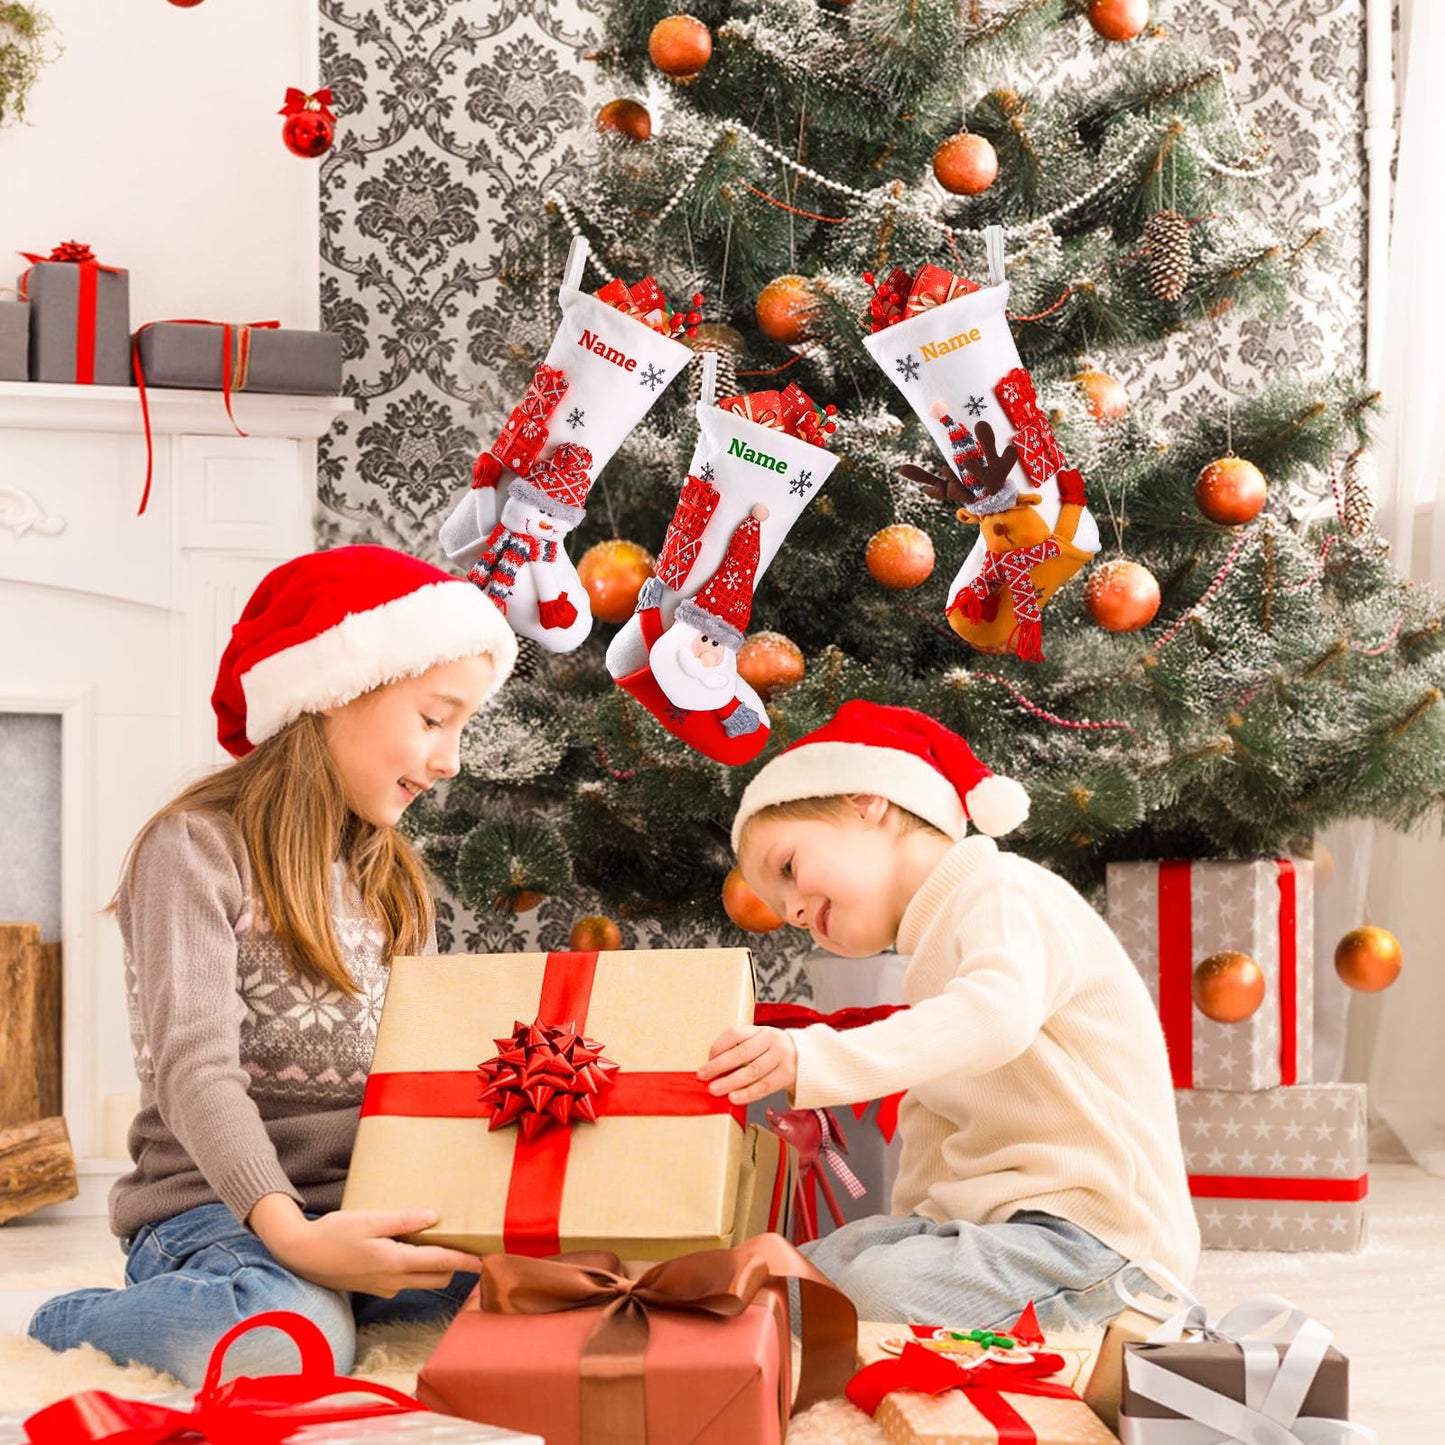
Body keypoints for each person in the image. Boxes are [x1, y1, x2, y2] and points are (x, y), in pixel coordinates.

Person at [25, 545, 518, 1386]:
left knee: (563, 1298)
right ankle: (75, 1318)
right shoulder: (193, 849)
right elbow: (195, 1070)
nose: (451, 761)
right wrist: (292, 1234)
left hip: (361, 1213)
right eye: (435, 719)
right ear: (331, 693)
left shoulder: (396, 881)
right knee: (282, 1341)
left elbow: (420, 1080)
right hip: (217, 1215)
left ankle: (334, 1295)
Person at [699, 699, 1199, 1330]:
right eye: (782, 907)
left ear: (865, 801)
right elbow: (934, 1130)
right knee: (794, 1276)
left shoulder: (1006, 891)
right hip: (996, 1230)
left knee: (873, 1292)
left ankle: (1112, 1317)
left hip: (1097, 1239)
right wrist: (910, 1232)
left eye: (789, 869)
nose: (794, 912)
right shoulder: (929, 962)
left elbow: (993, 1018)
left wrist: (814, 1056)